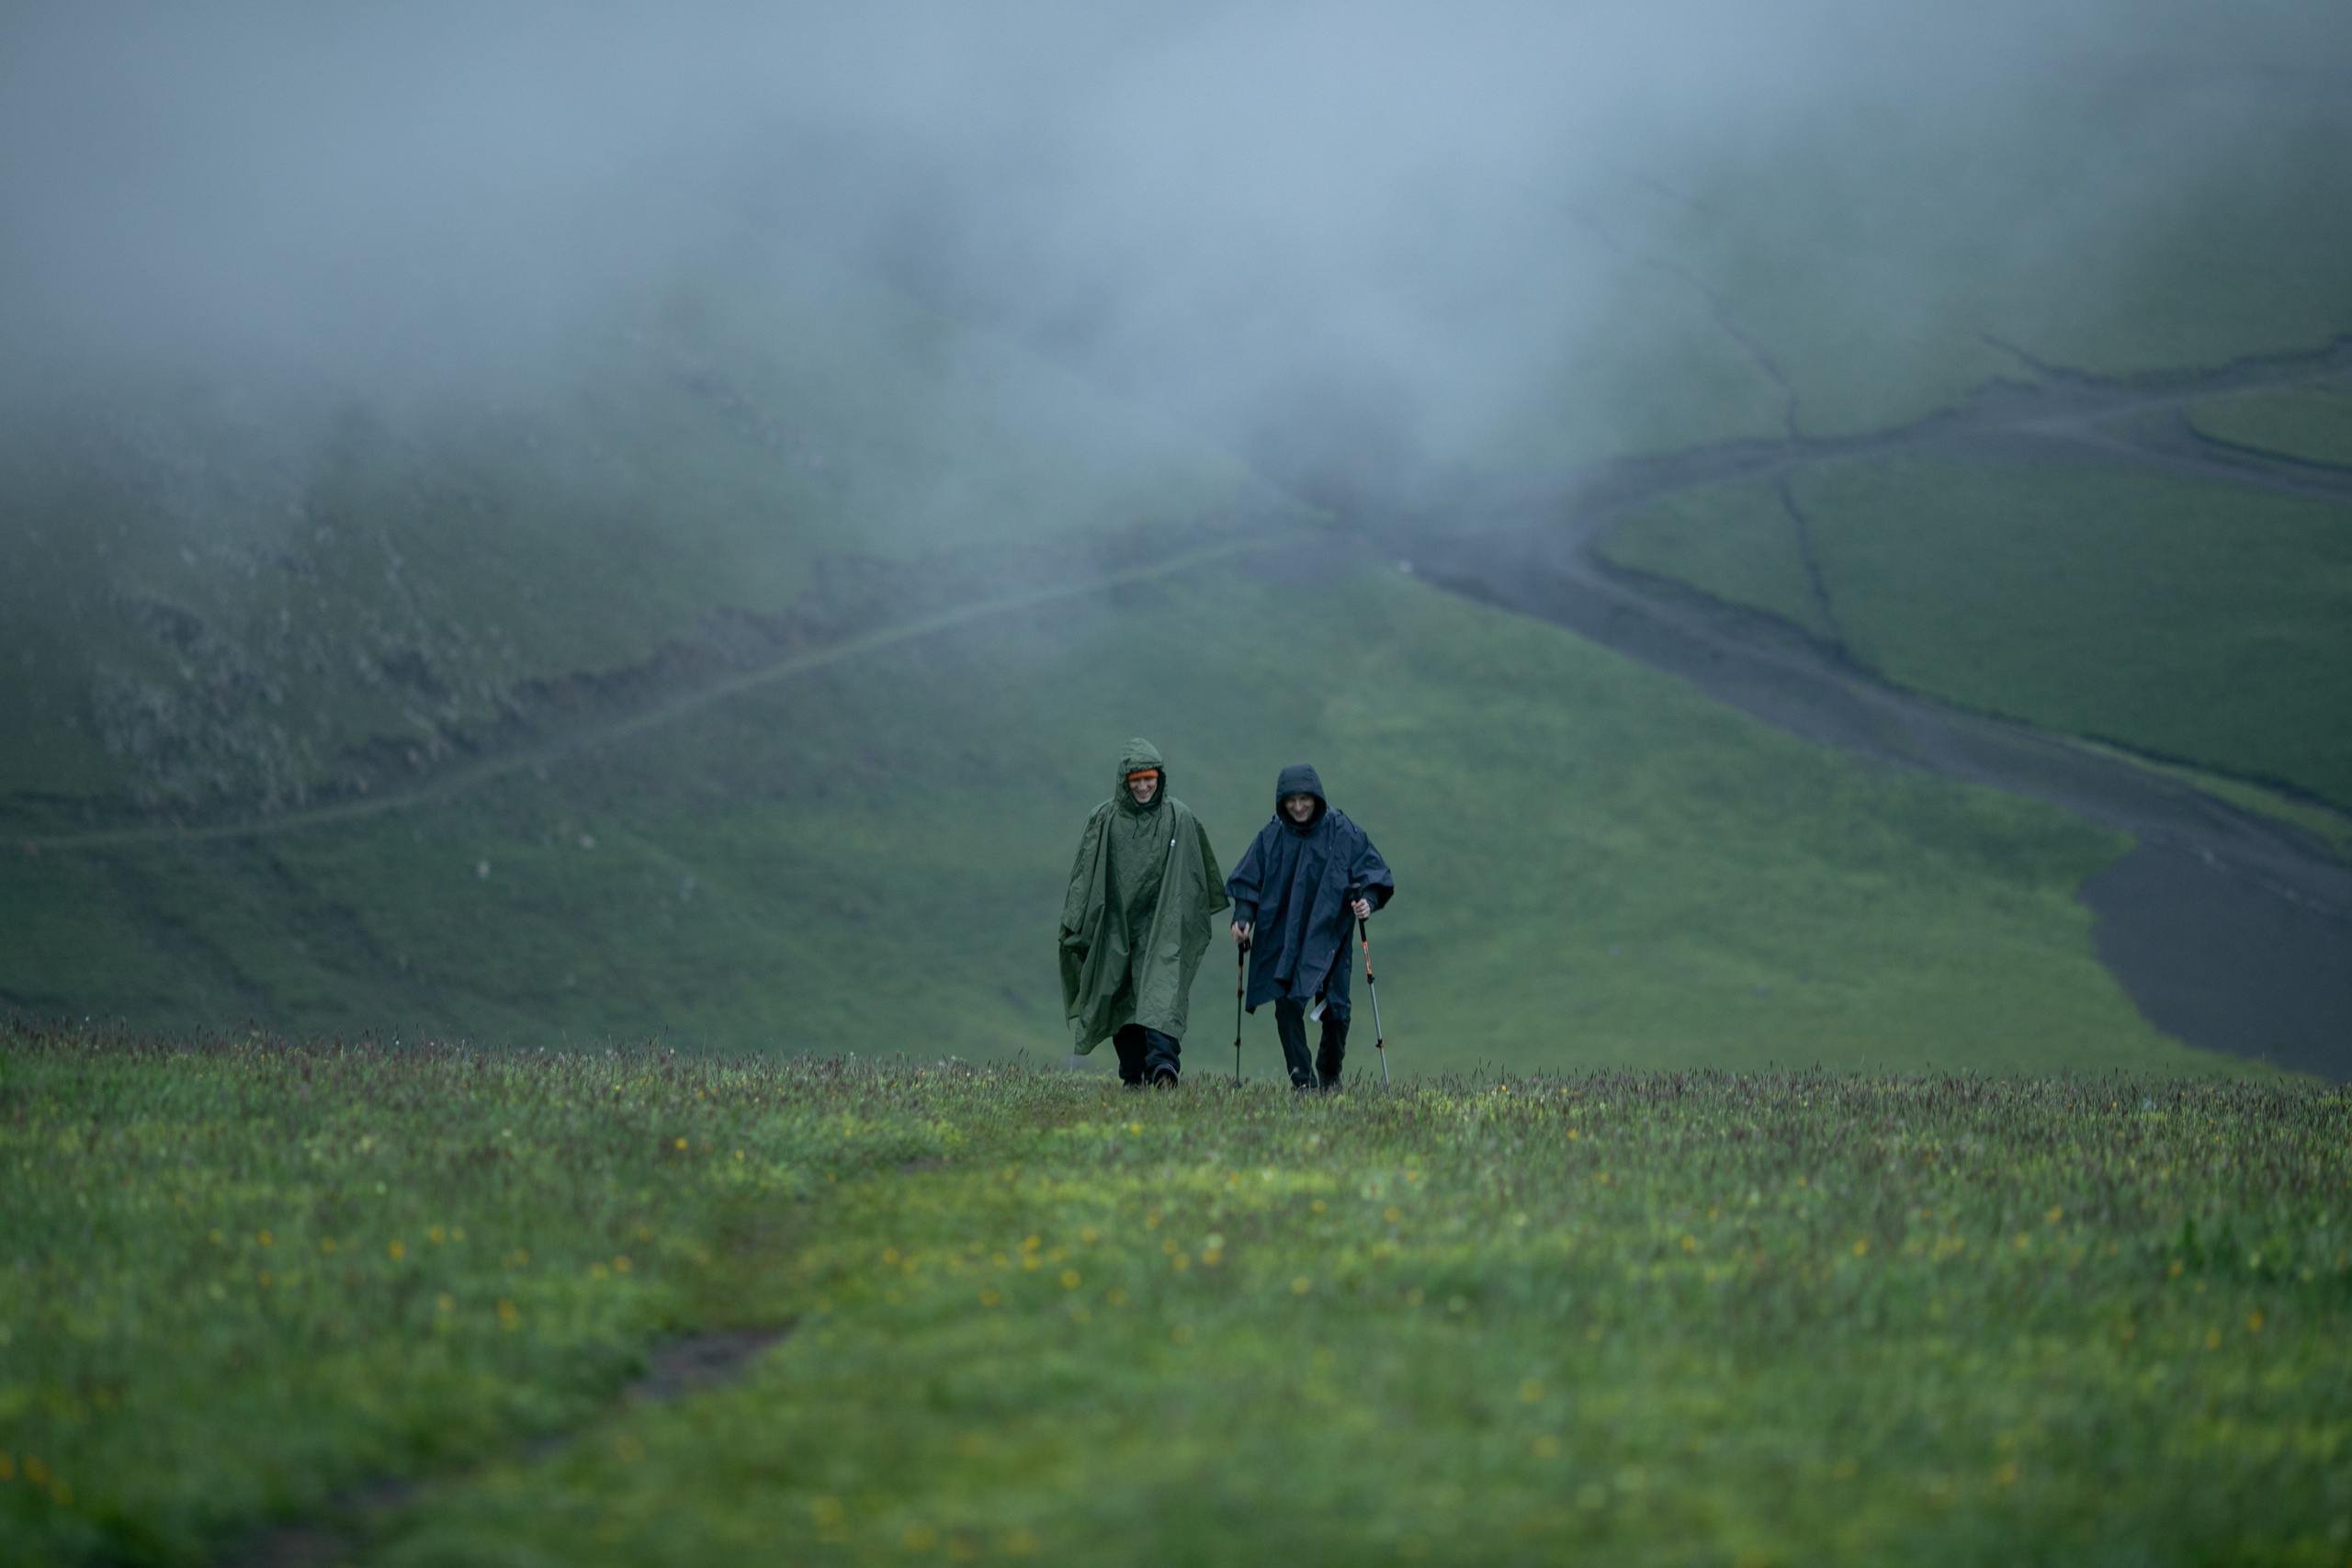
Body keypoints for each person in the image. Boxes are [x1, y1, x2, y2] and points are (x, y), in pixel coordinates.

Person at [1059, 739, 1228, 1086]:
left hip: (1164, 925)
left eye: (1149, 778)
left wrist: (1182, 920)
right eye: (1135, 779)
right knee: (1121, 997)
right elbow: (1084, 875)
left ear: (1159, 778)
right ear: (1124, 781)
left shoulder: (1179, 817)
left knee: (1161, 993)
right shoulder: (1104, 819)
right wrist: (1076, 922)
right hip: (1116, 926)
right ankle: (1133, 1075)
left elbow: (1197, 876)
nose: (1142, 785)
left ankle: (1164, 1069)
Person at [1226, 763, 1394, 1089]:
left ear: (1317, 797)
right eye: (1291, 800)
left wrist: (1367, 902)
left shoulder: (1342, 831)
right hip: (1283, 935)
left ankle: (1330, 1075)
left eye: (1305, 799)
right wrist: (1242, 919)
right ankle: (1302, 1081)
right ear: (1281, 801)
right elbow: (1248, 883)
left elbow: (1373, 873)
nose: (1299, 806)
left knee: (1338, 1010)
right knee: (1287, 1007)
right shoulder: (1271, 836)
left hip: (1330, 933)